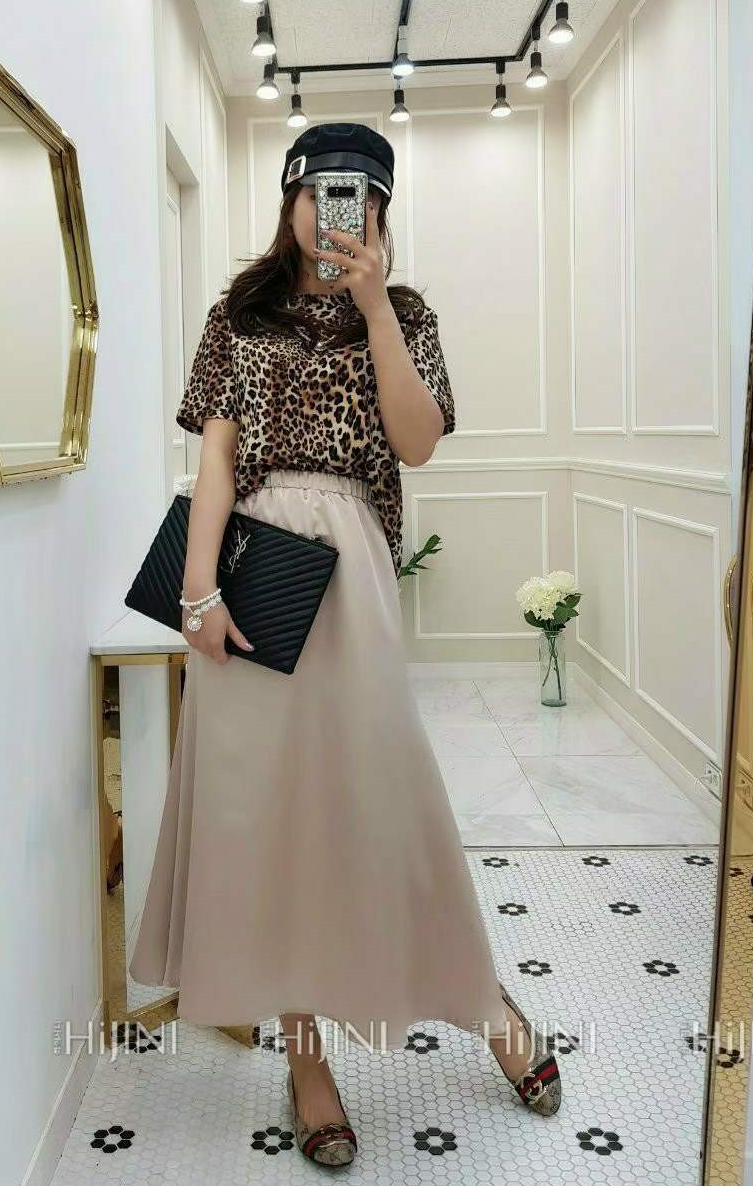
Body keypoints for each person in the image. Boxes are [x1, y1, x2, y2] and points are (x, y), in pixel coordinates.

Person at [128, 123, 562, 1167]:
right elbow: (217, 460)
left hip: (352, 574)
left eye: (360, 198)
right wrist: (196, 593)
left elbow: (416, 441)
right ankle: (307, 1056)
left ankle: (484, 1000)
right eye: (320, 194)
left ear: (380, 212)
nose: (337, 215)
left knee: (387, 803)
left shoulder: (404, 314)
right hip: (253, 582)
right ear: (290, 202)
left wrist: (373, 310)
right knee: (267, 822)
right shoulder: (238, 315)